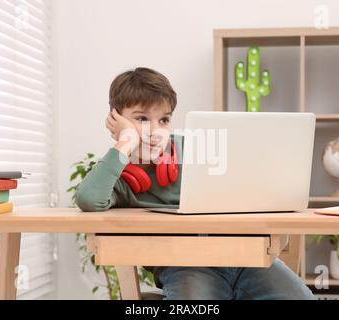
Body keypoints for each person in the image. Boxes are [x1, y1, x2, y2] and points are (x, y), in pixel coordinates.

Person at [75, 67, 315, 300]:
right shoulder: (116, 174)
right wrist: (126, 141)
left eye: (164, 119)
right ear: (114, 119)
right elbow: (88, 198)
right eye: (141, 119)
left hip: (245, 258)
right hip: (184, 265)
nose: (155, 131)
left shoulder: (197, 147)